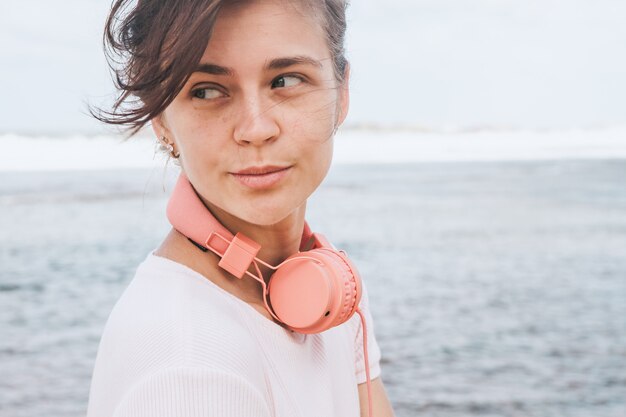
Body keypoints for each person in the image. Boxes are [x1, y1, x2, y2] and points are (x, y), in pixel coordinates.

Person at [87, 0, 396, 416]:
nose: (256, 129)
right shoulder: (190, 372)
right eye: (207, 91)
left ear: (341, 94)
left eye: (285, 80)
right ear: (161, 120)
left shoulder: (327, 288)